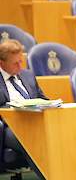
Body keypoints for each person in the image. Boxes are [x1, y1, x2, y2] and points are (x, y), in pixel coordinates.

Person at [0, 39, 47, 179]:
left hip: (35, 122)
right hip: (11, 127)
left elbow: (43, 98)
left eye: (21, 61)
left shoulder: (28, 75)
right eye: (15, 63)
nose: (20, 66)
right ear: (2, 63)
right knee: (33, 140)